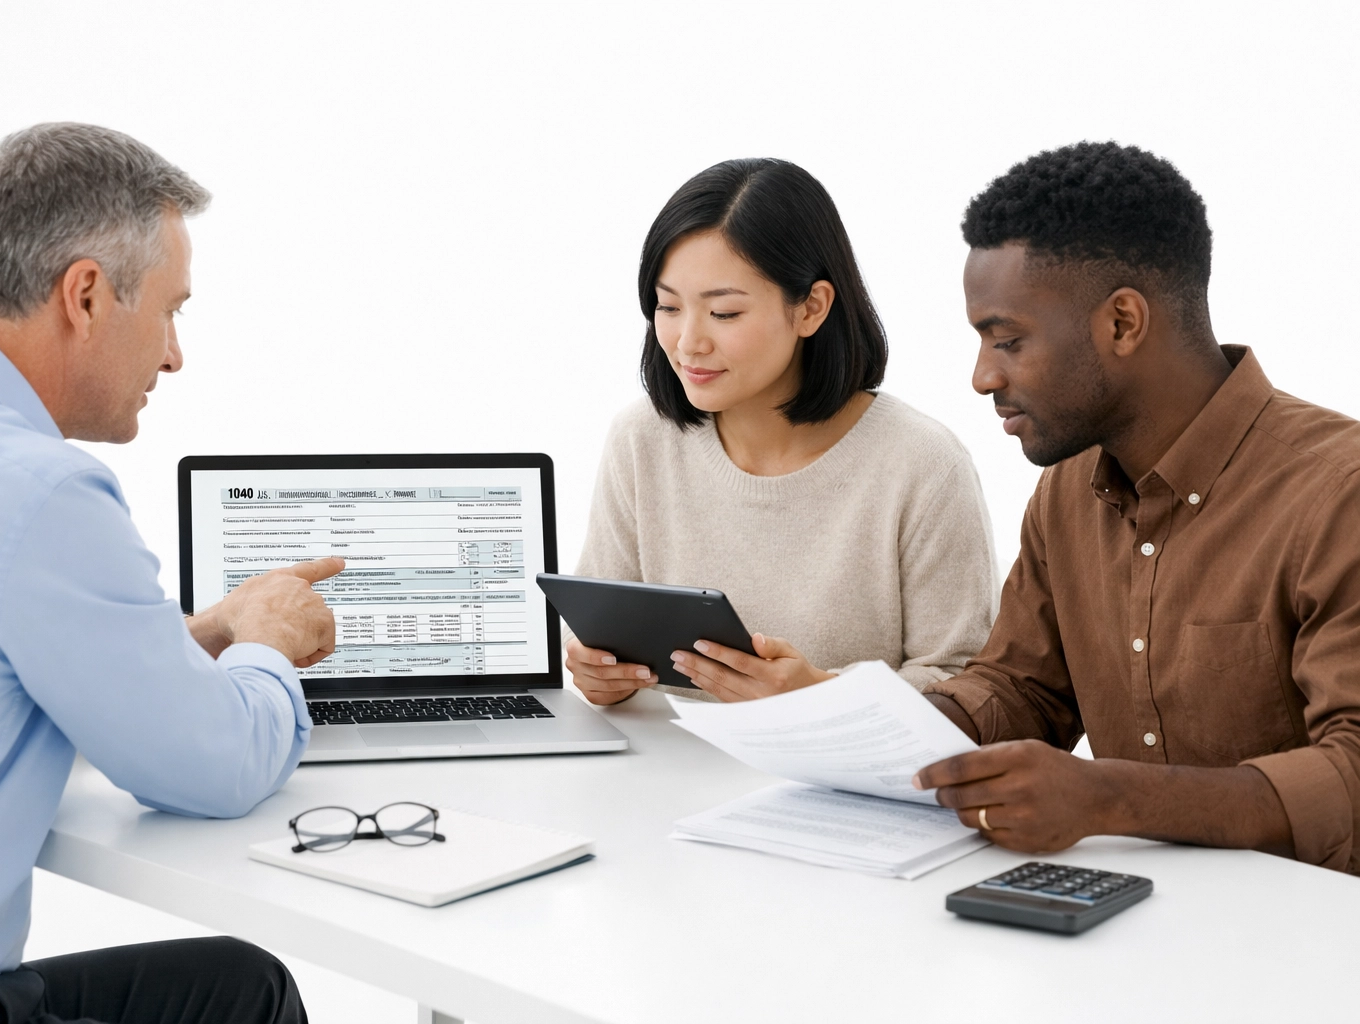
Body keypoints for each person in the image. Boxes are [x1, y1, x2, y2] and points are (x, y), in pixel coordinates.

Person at [0, 124, 340, 1022]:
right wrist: (264, 647)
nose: (174, 354)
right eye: (171, 310)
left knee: (238, 984)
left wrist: (197, 635)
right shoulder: (34, 488)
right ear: (88, 295)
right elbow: (212, 769)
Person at [913, 141, 1360, 875]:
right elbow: (1020, 689)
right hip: (1135, 932)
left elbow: (1354, 774)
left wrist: (1107, 798)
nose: (982, 375)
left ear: (1122, 323)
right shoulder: (1066, 490)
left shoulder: (1340, 491)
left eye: (1009, 339)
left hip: (1320, 951)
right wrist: (885, 731)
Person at [567, 158, 998, 705]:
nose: (687, 342)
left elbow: (967, 684)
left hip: (841, 783)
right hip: (667, 777)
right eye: (668, 306)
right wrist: (597, 675)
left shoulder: (922, 464)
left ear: (811, 308)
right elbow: (597, 634)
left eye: (723, 313)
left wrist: (820, 694)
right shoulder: (640, 439)